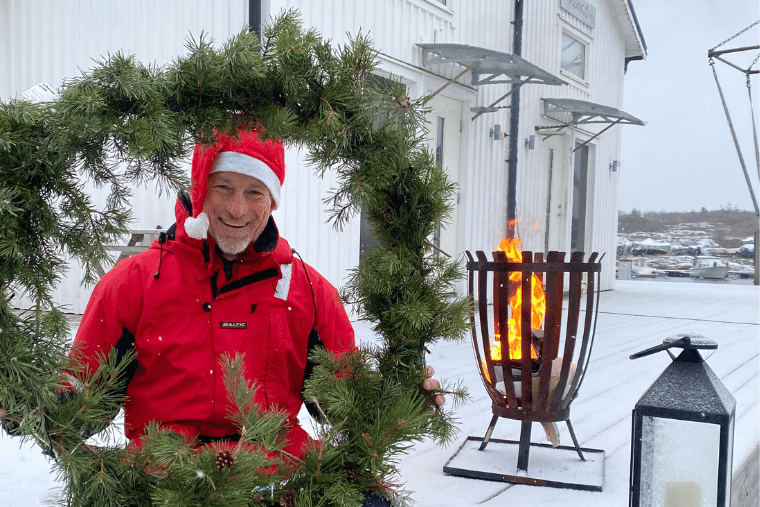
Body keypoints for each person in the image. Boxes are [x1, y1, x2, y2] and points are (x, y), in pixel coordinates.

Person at [65, 128, 442, 504]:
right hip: (168, 477)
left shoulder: (307, 290)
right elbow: (82, 400)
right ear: (199, 190)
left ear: (272, 202)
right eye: (224, 187)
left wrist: (400, 399)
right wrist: (32, 403)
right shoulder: (135, 283)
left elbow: (341, 402)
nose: (237, 209)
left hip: (280, 472)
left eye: (254, 192)